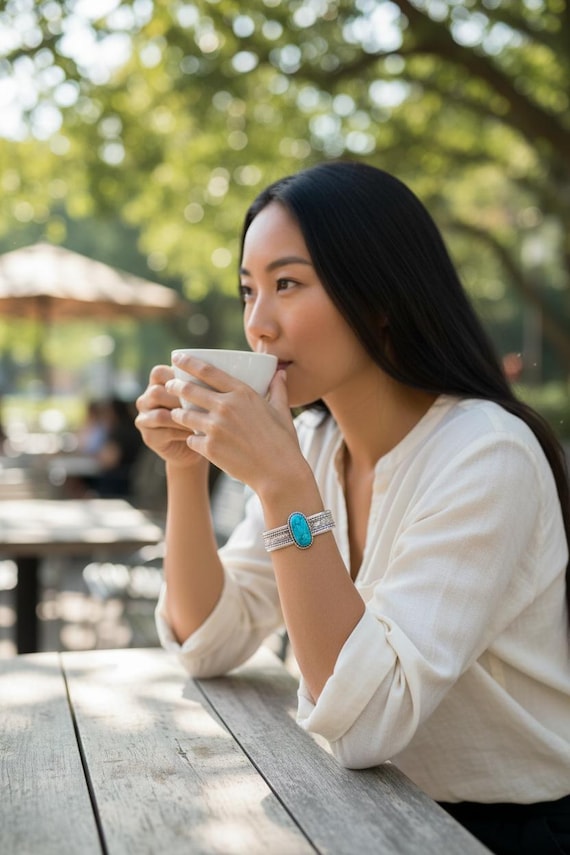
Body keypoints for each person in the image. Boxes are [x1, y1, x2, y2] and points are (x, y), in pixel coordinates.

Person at [135, 161, 570, 855]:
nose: (258, 324)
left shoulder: (486, 453)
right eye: (248, 290)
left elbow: (366, 720)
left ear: (379, 296)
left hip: (498, 830)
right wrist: (184, 469)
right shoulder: (312, 440)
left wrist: (285, 491)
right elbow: (208, 640)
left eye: (287, 283)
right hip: (357, 808)